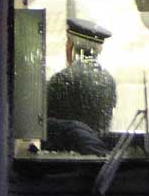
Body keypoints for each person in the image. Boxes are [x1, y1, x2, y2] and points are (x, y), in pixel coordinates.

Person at [46, 17, 118, 155]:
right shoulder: (108, 81)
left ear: (71, 46)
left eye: (68, 42)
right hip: (97, 156)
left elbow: (44, 125)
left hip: (67, 161)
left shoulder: (62, 79)